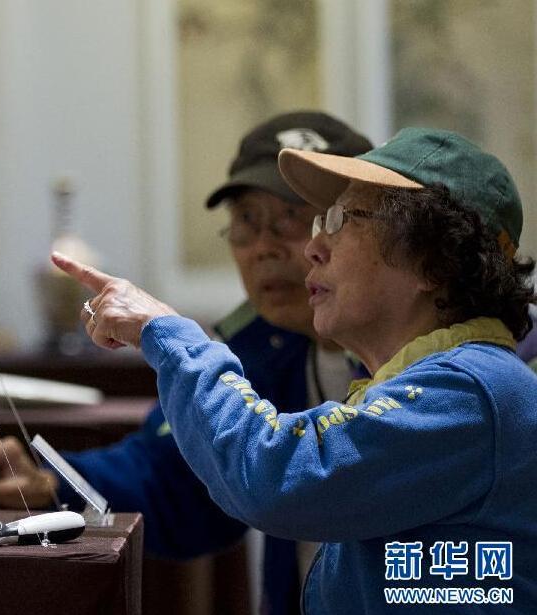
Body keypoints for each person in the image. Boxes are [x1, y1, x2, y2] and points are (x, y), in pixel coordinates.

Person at [52, 127, 537, 613]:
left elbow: (275, 477)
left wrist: (167, 332)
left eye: (343, 220)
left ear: (434, 261)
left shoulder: (468, 390)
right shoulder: (450, 380)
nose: (313, 246)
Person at [0, 111, 374, 614]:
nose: (265, 248)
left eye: (294, 217)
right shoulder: (259, 347)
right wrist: (49, 482)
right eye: (246, 223)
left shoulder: (421, 364)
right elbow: (172, 480)